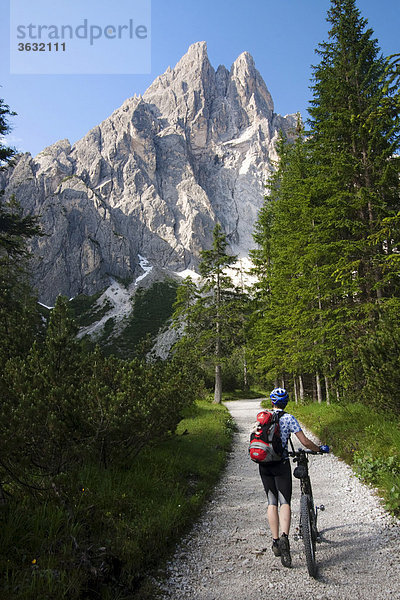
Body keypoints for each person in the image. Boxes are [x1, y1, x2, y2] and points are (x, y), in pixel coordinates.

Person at [257, 387, 329, 568]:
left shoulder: (262, 416)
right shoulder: (289, 418)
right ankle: (284, 538)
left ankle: (274, 542)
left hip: (264, 464)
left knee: (271, 502)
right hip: (281, 464)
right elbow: (304, 442)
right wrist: (319, 449)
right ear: (286, 402)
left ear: (272, 401)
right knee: (285, 502)